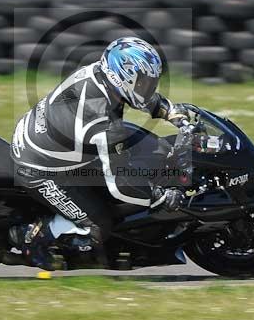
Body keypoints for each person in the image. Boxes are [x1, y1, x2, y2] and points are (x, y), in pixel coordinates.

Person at [10, 36, 191, 270]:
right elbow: (120, 184)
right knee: (100, 224)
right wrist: (159, 196)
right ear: (122, 78)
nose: (149, 88)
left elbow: (140, 98)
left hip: (55, 141)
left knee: (146, 149)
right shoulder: (102, 121)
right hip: (39, 168)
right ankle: (33, 237)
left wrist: (171, 112)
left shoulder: (102, 75)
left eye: (151, 82)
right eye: (144, 83)